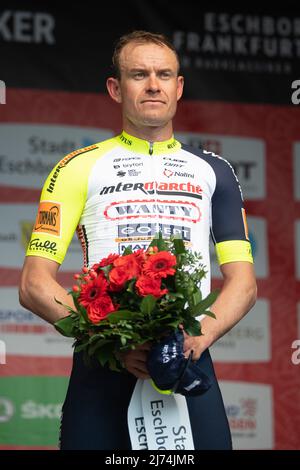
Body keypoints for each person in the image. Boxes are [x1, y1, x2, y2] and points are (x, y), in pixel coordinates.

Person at [19, 30, 257, 450]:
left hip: (188, 358)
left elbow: (244, 283)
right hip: (103, 364)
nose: (153, 84)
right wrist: (109, 340)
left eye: (164, 74)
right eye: (138, 74)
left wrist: (198, 338)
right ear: (115, 88)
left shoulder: (216, 171)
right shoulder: (77, 167)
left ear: (178, 87)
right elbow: (34, 284)